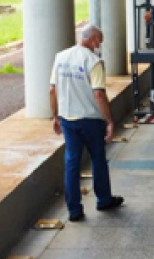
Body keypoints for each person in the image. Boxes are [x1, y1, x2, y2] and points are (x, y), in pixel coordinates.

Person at [49, 24, 124, 222]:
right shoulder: (94, 61)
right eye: (100, 40)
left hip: (68, 119)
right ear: (94, 40)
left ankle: (74, 210)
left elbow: (52, 90)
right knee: (98, 159)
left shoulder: (60, 57)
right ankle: (104, 199)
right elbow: (98, 94)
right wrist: (109, 120)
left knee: (71, 163)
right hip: (91, 120)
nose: (100, 44)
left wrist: (55, 115)